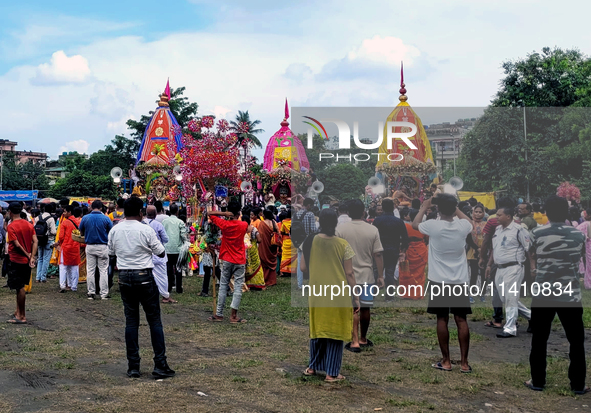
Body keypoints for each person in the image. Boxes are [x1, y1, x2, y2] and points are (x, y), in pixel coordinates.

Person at [525, 195, 589, 394]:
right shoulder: (578, 235)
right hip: (569, 294)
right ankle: (578, 384)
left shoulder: (536, 233)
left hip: (543, 293)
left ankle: (537, 381)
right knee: (576, 341)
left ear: (546, 213)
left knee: (539, 339)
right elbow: (580, 257)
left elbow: (531, 255)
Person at [107, 197, 174, 378]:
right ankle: (160, 364)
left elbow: (111, 253)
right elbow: (160, 251)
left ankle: (133, 366)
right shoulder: (146, 229)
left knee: (131, 321)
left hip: (124, 277)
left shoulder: (115, 229)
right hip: (144, 275)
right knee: (154, 321)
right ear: (140, 212)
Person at [412, 194, 472, 373]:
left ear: (438, 209)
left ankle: (446, 361)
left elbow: (415, 224)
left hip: (438, 280)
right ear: (454, 208)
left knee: (442, 319)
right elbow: (468, 220)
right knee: (461, 319)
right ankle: (464, 363)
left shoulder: (433, 226)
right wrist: (456, 207)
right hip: (460, 280)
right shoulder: (463, 226)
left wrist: (423, 207)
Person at [301, 209, 358, 382]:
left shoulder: (309, 240)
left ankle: (313, 367)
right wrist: (356, 297)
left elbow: (303, 268)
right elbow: (349, 274)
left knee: (318, 328)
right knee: (335, 332)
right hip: (338, 293)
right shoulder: (343, 244)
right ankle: (331, 373)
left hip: (317, 292)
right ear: (335, 224)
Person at [336, 199, 384, 352]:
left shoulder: (341, 230)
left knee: (352, 308)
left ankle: (353, 338)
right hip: (367, 275)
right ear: (364, 212)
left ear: (348, 213)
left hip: (346, 276)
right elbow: (378, 254)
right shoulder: (372, 230)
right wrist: (381, 275)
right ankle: (363, 338)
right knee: (365, 308)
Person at [486, 207, 532, 338]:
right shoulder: (498, 230)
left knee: (511, 297)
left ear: (508, 216)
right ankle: (531, 316)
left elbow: (529, 248)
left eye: (500, 215)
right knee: (505, 298)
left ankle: (510, 328)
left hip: (514, 267)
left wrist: (532, 267)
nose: (497, 217)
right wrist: (489, 265)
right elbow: (495, 249)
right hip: (499, 268)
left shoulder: (519, 230)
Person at [207, 201, 249, 323]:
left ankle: (219, 314)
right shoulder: (243, 225)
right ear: (239, 212)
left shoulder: (224, 224)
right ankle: (233, 316)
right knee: (237, 287)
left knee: (223, 286)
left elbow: (209, 213)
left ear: (229, 212)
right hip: (239, 259)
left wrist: (224, 213)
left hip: (226, 258)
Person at [479, 197, 515, 329]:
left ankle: (498, 318)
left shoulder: (493, 221)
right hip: (514, 262)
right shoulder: (515, 222)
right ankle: (513, 317)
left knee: (496, 288)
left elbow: (486, 241)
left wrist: (483, 258)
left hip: (496, 259)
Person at [6, 202, 37, 324]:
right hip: (25, 260)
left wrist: (28, 255)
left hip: (16, 259)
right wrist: (32, 256)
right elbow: (35, 241)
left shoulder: (12, 226)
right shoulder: (28, 224)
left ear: (10, 212)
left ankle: (22, 316)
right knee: (20, 287)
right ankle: (18, 311)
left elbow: (17, 244)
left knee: (20, 287)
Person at [372, 198, 408, 296]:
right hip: (393, 249)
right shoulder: (399, 221)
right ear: (393, 207)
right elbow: (405, 237)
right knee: (390, 272)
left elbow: (373, 236)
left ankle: (373, 293)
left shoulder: (377, 221)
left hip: (379, 250)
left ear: (382, 208)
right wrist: (403, 250)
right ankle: (389, 296)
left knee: (376, 271)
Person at [79, 200, 113, 300]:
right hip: (103, 246)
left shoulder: (85, 218)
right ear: (101, 208)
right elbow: (111, 232)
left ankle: (91, 292)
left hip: (89, 246)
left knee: (90, 270)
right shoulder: (106, 218)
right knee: (103, 271)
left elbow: (81, 230)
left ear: (91, 207)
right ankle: (104, 294)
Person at [143, 206, 176, 303]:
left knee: (146, 275)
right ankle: (165, 296)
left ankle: (146, 295)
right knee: (162, 276)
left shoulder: (142, 223)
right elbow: (165, 239)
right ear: (155, 214)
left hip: (145, 254)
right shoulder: (158, 225)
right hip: (158, 253)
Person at [400, 208, 428, 300]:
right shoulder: (423, 227)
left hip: (409, 250)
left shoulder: (405, 226)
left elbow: (403, 239)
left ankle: (406, 293)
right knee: (420, 273)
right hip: (421, 250)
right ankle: (417, 294)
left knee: (407, 272)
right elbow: (427, 239)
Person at [162, 203, 188, 294]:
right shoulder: (180, 222)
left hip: (167, 248)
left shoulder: (165, 221)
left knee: (168, 269)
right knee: (178, 268)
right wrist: (186, 242)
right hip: (178, 248)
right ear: (177, 212)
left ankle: (169, 287)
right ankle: (178, 288)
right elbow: (183, 235)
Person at [55, 205, 81, 293]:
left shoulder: (65, 223)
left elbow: (61, 236)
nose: (63, 213)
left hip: (66, 247)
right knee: (74, 267)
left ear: (69, 212)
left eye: (65, 211)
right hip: (76, 247)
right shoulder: (78, 222)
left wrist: (58, 243)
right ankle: (73, 286)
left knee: (63, 267)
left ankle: (63, 285)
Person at [293, 198, 318, 289]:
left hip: (298, 241)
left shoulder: (296, 214)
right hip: (308, 240)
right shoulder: (310, 214)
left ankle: (300, 284)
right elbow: (313, 229)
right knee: (311, 261)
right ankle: (312, 282)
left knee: (300, 261)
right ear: (309, 205)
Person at [467, 204, 487, 303]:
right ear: (473, 212)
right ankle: (471, 293)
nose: (478, 214)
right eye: (476, 212)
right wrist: (477, 248)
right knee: (474, 273)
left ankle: (482, 294)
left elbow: (488, 238)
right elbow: (468, 239)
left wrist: (482, 249)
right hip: (473, 251)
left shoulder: (486, 224)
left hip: (485, 251)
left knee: (483, 274)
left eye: (480, 212)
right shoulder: (469, 223)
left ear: (483, 213)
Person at [35, 203, 57, 283]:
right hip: (48, 240)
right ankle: (43, 278)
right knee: (46, 259)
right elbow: (53, 231)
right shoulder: (51, 219)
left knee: (40, 258)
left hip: (39, 240)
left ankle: (37, 277)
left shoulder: (37, 218)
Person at [242, 215, 265, 290]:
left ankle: (247, 283)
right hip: (253, 249)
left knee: (247, 265)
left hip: (244, 249)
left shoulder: (241, 229)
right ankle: (257, 283)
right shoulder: (253, 229)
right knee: (256, 265)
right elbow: (259, 240)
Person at [258, 207, 279, 287]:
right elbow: (278, 233)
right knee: (272, 260)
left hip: (264, 246)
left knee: (264, 261)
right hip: (273, 246)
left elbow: (260, 236)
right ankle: (272, 280)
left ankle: (265, 279)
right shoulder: (274, 222)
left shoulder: (262, 223)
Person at [576, 208, 591, 289]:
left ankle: (589, 283)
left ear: (588, 215)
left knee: (589, 267)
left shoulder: (585, 224)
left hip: (589, 248)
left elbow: (577, 232)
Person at [279, 210, 295, 276]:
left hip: (286, 241)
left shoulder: (284, 222)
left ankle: (284, 271)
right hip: (294, 241)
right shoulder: (295, 222)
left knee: (285, 256)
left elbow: (281, 232)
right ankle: (293, 270)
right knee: (294, 256)